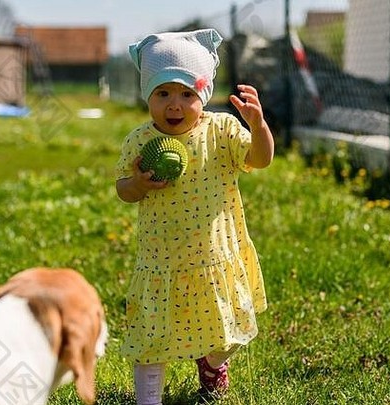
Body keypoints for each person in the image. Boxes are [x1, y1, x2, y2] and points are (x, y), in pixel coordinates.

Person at [114, 29, 274, 404]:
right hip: (161, 262)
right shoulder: (140, 141)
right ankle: (148, 399)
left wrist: (258, 126)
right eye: (162, 93)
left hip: (213, 259)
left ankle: (212, 364)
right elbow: (123, 190)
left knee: (224, 336)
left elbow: (260, 159)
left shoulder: (220, 130)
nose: (174, 104)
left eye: (187, 94)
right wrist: (138, 183)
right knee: (151, 340)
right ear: (148, 97)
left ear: (202, 95)